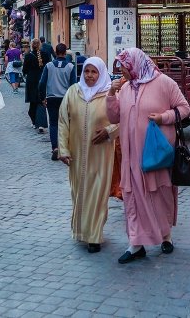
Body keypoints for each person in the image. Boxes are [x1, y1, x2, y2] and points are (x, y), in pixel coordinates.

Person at [106, 48, 190, 264]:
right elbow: (114, 117)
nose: (121, 71)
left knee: (159, 195)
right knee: (132, 197)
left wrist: (164, 117)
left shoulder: (164, 83)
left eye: (123, 66)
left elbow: (184, 108)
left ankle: (165, 236)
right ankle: (136, 243)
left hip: (156, 155)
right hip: (130, 156)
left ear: (134, 64)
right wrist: (110, 95)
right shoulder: (124, 88)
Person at [58, 57, 118, 253]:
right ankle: (81, 231)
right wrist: (63, 150)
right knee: (79, 192)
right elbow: (63, 122)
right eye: (86, 71)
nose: (90, 76)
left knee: (98, 192)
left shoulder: (110, 94)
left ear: (101, 73)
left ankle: (94, 236)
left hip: (101, 154)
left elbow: (123, 118)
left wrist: (109, 131)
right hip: (77, 153)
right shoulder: (73, 92)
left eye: (94, 72)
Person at [40, 43, 78, 160]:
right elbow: (73, 85)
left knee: (53, 123)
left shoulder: (49, 66)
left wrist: (42, 97)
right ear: (65, 53)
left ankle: (55, 148)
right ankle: (65, 148)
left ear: (56, 52)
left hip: (51, 98)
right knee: (67, 123)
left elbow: (42, 83)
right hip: (65, 98)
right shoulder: (71, 66)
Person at [23, 39, 50, 132]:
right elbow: (48, 67)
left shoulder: (28, 56)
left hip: (31, 81)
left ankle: (35, 122)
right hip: (42, 79)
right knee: (41, 100)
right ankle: (41, 124)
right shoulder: (46, 55)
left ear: (31, 45)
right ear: (40, 45)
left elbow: (24, 70)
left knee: (33, 102)